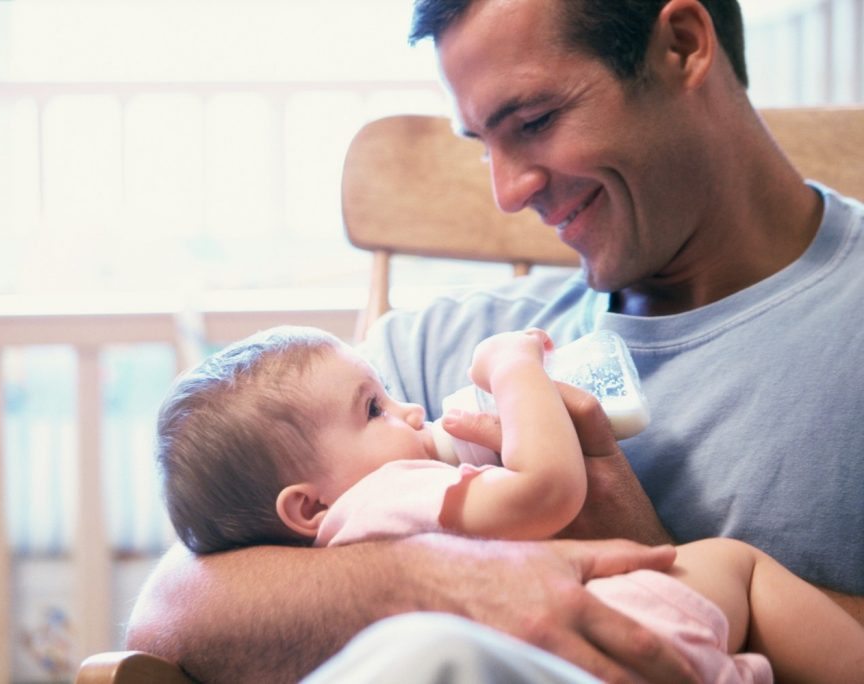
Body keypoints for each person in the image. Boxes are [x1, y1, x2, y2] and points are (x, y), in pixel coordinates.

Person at [127, 1, 864, 681]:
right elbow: (171, 613)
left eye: (536, 119)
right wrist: (438, 579)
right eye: (484, 142)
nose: (507, 192)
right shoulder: (426, 351)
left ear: (681, 46)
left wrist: (646, 563)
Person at [154, 324, 863, 682]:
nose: (409, 412)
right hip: (590, 643)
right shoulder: (388, 494)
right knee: (730, 564)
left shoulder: (362, 523)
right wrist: (513, 369)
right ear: (306, 510)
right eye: (373, 408)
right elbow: (546, 493)